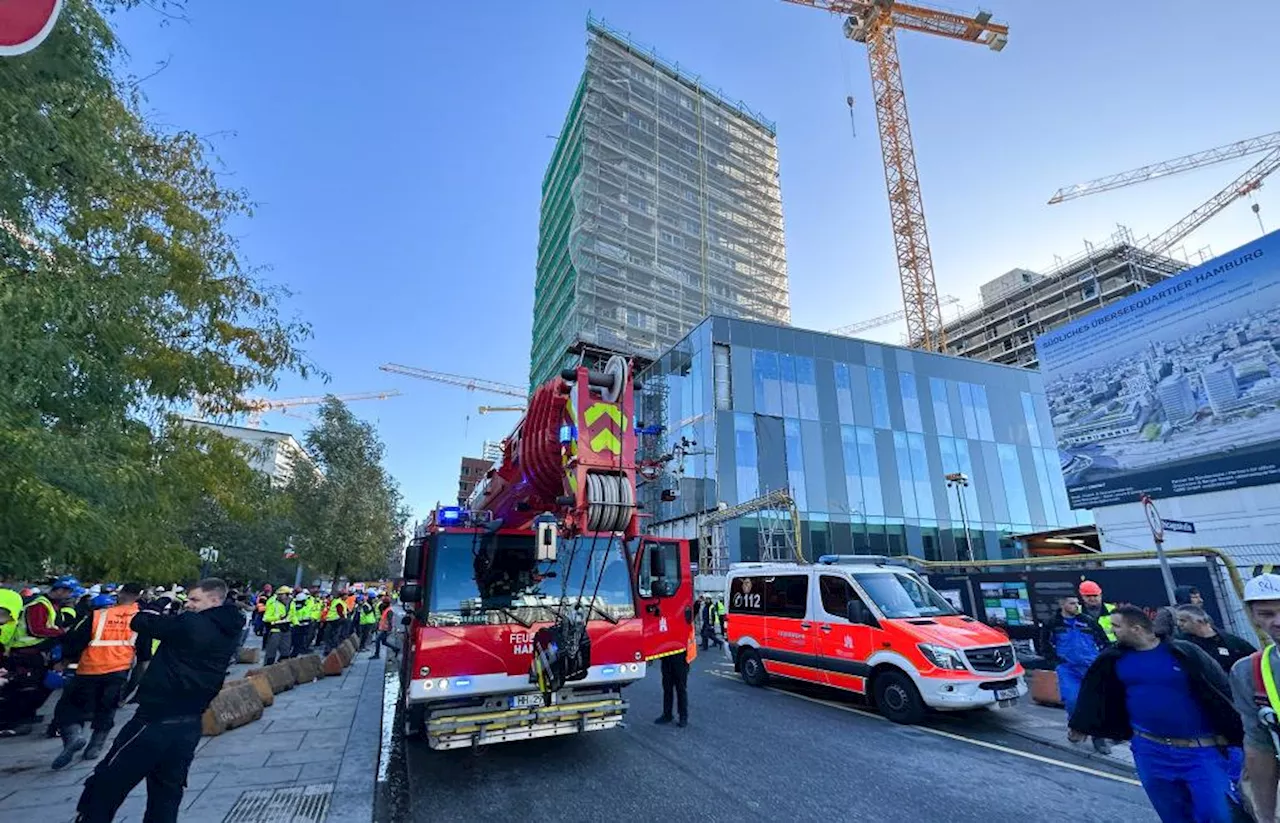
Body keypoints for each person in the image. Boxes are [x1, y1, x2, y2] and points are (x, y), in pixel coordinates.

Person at [74, 579, 241, 823]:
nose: (189, 605)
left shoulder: (190, 624)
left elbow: (141, 620)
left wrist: (163, 600)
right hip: (190, 722)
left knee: (107, 782)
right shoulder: (229, 629)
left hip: (154, 719)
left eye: (195, 600)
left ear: (215, 600)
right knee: (167, 791)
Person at [1069, 605, 1243, 823]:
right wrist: (1081, 724)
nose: (1112, 631)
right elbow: (1095, 693)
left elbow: (1221, 688)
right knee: (1173, 816)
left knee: (1218, 815)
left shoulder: (1184, 652)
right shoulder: (1113, 660)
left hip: (1201, 753)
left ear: (1137, 628)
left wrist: (1237, 733)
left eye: (1116, 626)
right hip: (1150, 752)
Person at [50, 584, 146, 768]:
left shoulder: (99, 615)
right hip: (118, 671)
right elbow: (144, 656)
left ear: (120, 594)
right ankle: (95, 746)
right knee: (107, 709)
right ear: (138, 597)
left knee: (69, 707)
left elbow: (75, 641)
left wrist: (63, 660)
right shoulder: (141, 620)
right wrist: (131, 689)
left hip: (89, 668)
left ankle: (74, 736)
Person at [1229, 573, 1280, 823]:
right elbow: (1260, 749)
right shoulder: (1250, 672)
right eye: (1267, 614)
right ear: (1253, 617)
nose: (1278, 621)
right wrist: (1267, 817)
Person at [0, 576, 76, 734]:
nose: (70, 596)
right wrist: (61, 633)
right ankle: (15, 721)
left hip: (35, 652)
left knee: (35, 687)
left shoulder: (51, 605)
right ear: (60, 590)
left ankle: (25, 716)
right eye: (68, 591)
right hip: (25, 652)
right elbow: (36, 629)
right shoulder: (39, 605)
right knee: (25, 688)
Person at [1041, 594, 1112, 754]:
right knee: (1072, 700)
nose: (1076, 606)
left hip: (1091, 668)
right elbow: (1045, 646)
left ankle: (1098, 738)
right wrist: (1056, 663)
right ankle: (1076, 727)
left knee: (1096, 702)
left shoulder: (1088, 621)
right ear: (1062, 604)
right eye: (1072, 603)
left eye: (1077, 603)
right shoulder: (1052, 624)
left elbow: (1104, 642)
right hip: (1068, 668)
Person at [1175, 606, 1254, 675]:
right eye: (1178, 620)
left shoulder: (1230, 641)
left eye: (1183, 621)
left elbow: (1253, 660)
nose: (1179, 624)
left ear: (1199, 621)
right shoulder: (1180, 643)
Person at [655, 625, 696, 729]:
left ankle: (683, 717)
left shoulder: (683, 616)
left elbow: (694, 609)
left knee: (681, 688)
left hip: (681, 658)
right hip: (666, 657)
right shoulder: (666, 616)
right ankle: (667, 714)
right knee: (667, 688)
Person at [261, 586, 293, 665]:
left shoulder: (291, 602)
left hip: (286, 629)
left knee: (285, 652)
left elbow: (293, 614)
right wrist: (278, 618)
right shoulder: (272, 602)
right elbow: (266, 618)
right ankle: (267, 668)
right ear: (281, 594)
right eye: (287, 595)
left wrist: (295, 623)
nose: (288, 597)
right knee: (271, 652)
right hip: (275, 630)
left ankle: (281, 669)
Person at [289, 590, 314, 659]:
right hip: (298, 626)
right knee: (296, 643)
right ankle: (291, 656)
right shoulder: (301, 605)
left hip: (301, 625)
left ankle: (292, 656)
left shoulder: (295, 604)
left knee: (297, 643)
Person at [370, 595, 393, 660]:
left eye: (384, 603)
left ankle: (376, 654)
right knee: (384, 642)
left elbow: (390, 620)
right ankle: (396, 649)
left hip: (386, 629)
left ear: (386, 604)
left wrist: (389, 629)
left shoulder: (389, 610)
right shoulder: (386, 609)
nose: (382, 604)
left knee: (377, 640)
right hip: (383, 628)